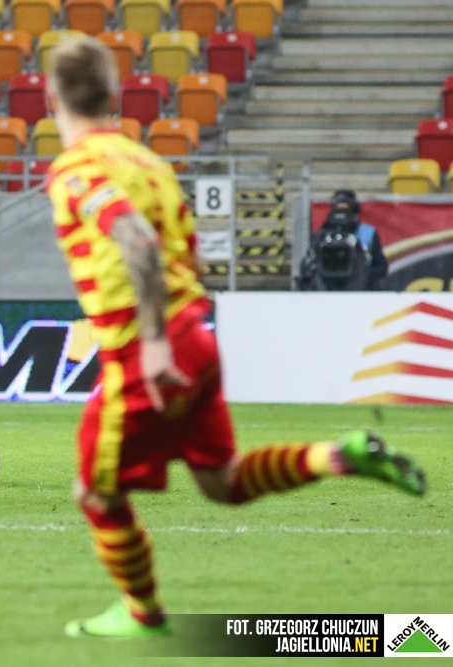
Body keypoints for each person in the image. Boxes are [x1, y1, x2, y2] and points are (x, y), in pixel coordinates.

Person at [44, 39, 426, 639]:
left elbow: (136, 239)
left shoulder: (76, 169)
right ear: (115, 94)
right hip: (196, 337)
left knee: (95, 493)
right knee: (222, 482)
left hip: (146, 348)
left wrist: (154, 343)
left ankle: (142, 615)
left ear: (51, 97)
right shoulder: (149, 164)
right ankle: (340, 455)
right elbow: (190, 257)